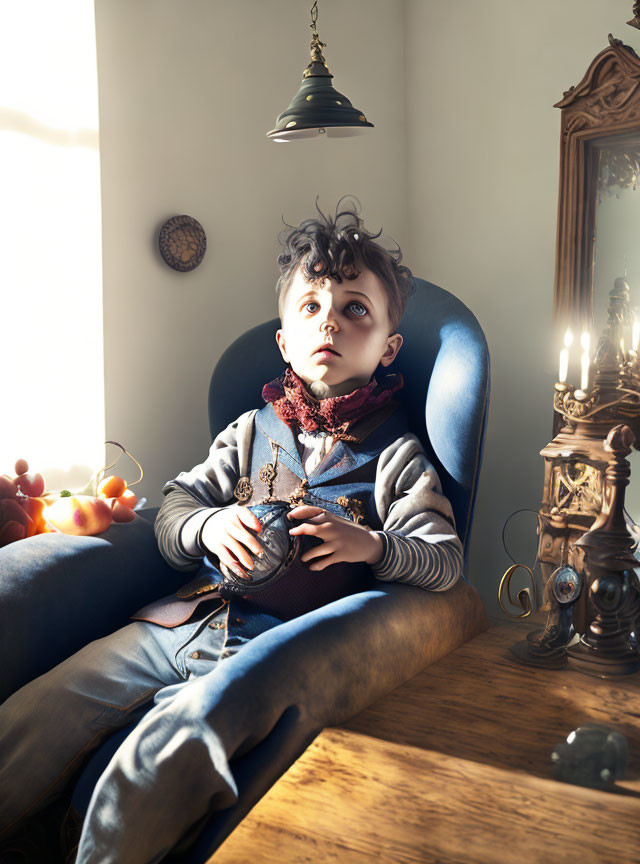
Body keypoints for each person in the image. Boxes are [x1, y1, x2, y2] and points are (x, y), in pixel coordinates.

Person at [0, 197, 463, 863]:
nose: (329, 319)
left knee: (153, 764)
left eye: (354, 308)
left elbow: (445, 562)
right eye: (310, 307)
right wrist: (210, 526)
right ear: (284, 341)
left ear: (389, 347)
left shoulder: (396, 456)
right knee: (35, 715)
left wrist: (375, 546)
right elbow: (175, 513)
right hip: (177, 622)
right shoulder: (250, 431)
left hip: (275, 656)